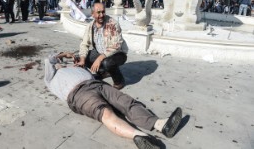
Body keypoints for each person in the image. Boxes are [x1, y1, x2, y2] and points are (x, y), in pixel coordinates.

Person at [44, 52, 183, 149]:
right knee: (106, 113)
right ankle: (141, 137)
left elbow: (95, 72)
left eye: (61, 62)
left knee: (126, 102)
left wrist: (80, 65)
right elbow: (48, 59)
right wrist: (63, 55)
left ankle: (161, 125)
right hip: (78, 94)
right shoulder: (51, 77)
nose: (61, 63)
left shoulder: (73, 67)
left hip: (97, 84)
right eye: (58, 63)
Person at [75, 3, 127, 90]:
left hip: (118, 53)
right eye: (98, 12)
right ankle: (103, 72)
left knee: (107, 63)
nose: (101, 15)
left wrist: (99, 59)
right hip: (100, 52)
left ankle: (119, 81)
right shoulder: (90, 26)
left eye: (103, 12)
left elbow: (116, 46)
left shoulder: (113, 24)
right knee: (80, 57)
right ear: (92, 14)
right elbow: (84, 44)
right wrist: (82, 60)